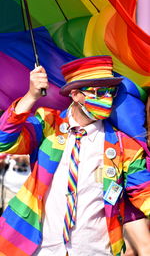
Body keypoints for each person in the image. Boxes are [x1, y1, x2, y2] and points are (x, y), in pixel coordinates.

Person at [0, 55, 150, 256]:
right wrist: (31, 96)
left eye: (111, 92)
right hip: (41, 249)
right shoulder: (48, 124)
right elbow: (4, 140)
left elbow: (143, 192)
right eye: (99, 92)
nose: (107, 98)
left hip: (95, 251)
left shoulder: (125, 146)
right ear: (75, 94)